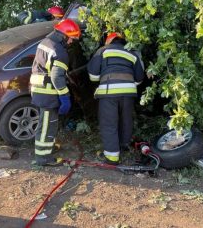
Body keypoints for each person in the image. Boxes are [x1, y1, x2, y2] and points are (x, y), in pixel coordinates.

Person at [87, 32, 144, 165]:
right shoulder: (132, 53)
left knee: (109, 123)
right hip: (128, 92)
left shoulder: (102, 50)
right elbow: (139, 78)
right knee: (126, 120)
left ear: (109, 41)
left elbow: (93, 75)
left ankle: (112, 157)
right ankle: (124, 146)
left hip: (109, 92)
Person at [30, 18, 81, 166]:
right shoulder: (59, 51)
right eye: (71, 39)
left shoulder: (45, 43)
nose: (71, 43)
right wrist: (65, 96)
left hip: (40, 91)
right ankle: (43, 158)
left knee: (48, 123)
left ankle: (48, 149)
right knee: (46, 125)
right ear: (64, 35)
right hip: (47, 93)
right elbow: (57, 76)